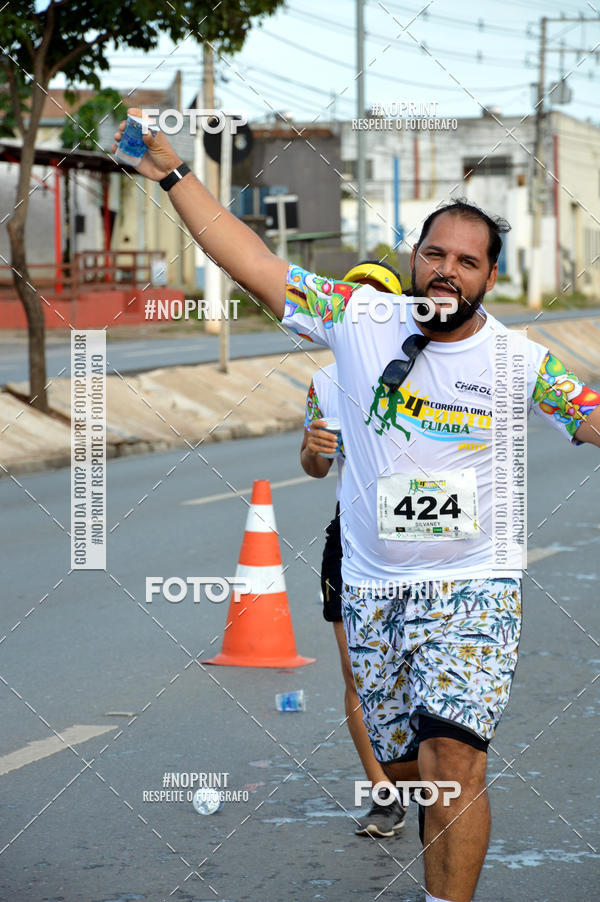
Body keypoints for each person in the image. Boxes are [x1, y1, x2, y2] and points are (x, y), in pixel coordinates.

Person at [114, 114, 600, 902]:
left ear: (490, 278)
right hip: (374, 591)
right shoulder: (360, 318)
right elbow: (253, 261)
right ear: (415, 258)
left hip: (472, 589)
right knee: (412, 772)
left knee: (454, 762)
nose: (446, 271)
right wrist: (172, 173)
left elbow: (589, 412)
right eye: (434, 254)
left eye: (466, 262)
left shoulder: (518, 361)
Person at [301, 261, 407, 837]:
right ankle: (385, 793)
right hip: (352, 536)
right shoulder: (323, 381)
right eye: (354, 300)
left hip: (421, 537)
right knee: (357, 667)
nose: (363, 310)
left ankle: (431, 773)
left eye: (378, 301)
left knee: (416, 667)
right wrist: (315, 448)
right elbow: (314, 467)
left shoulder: (426, 368)